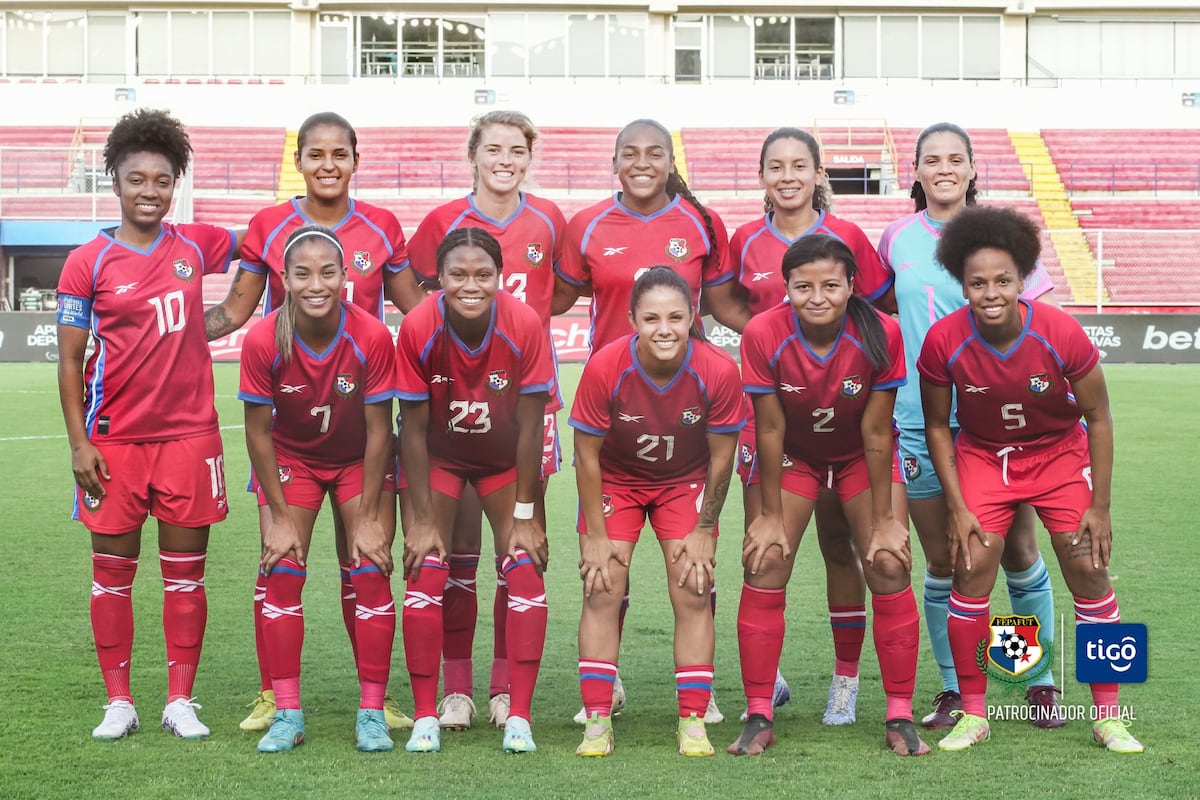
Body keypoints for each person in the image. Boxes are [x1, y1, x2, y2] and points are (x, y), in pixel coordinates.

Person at [205, 111, 424, 733]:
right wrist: (163, 339)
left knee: (366, 564)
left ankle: (375, 702)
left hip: (361, 427)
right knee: (279, 559)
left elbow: (418, 310)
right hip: (295, 427)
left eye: (340, 154)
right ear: (297, 161)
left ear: (356, 160)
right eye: (315, 154)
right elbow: (235, 310)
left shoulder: (381, 227)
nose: (328, 164)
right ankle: (277, 698)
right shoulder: (269, 226)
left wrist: (486, 319)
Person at [918, 205, 1143, 755]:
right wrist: (957, 506)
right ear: (961, 284)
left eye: (1002, 280)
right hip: (984, 458)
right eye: (977, 282)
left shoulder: (1060, 329)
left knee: (1090, 568)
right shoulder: (944, 341)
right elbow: (937, 427)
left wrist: (1101, 506)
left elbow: (1100, 418)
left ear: (1023, 280)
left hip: (1058, 456)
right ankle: (974, 713)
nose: (990, 292)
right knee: (971, 568)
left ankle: (1109, 716)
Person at [554, 117, 750, 724]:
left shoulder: (700, 222)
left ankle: (702, 685)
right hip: (613, 416)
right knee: (606, 575)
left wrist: (789, 341)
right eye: (630, 153)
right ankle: (603, 685)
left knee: (703, 568)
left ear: (671, 160)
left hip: (689, 420)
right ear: (613, 161)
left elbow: (723, 306)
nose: (643, 162)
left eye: (655, 153)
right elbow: (550, 300)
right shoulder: (585, 224)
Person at [56, 108, 241, 739]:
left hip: (191, 436)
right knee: (112, 573)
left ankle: (179, 700)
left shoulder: (195, 245)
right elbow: (70, 358)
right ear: (115, 180)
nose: (150, 191)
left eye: (163, 180)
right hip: (113, 441)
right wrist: (80, 443)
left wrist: (221, 321)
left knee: (185, 573)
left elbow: (265, 246)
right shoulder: (88, 261)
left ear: (175, 185)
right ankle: (119, 701)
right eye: (138, 179)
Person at [877, 123, 1062, 729]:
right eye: (932, 160)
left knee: (1016, 551)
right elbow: (885, 310)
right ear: (917, 172)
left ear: (973, 168)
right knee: (944, 560)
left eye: (956, 159)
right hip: (917, 419)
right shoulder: (896, 239)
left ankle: (1033, 680)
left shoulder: (1003, 238)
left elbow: (1039, 319)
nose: (945, 168)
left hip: (997, 425)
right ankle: (956, 687)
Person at [730, 234, 928, 758]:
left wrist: (885, 519)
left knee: (887, 561)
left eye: (830, 285)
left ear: (851, 285)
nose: (817, 296)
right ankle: (758, 712)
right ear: (786, 287)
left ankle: (899, 714)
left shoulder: (881, 331)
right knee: (766, 558)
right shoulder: (763, 332)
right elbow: (769, 430)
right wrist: (771, 515)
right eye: (803, 286)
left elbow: (879, 433)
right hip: (795, 454)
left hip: (860, 456)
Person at [729, 127, 897, 725]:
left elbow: (880, 307)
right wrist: (773, 337)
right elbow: (723, 298)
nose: (788, 175)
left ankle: (997, 686)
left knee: (974, 559)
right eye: (776, 165)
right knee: (767, 550)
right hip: (786, 408)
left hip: (896, 413)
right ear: (762, 176)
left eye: (800, 164)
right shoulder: (746, 238)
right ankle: (764, 681)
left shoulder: (856, 237)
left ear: (820, 173)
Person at [407, 110, 567, 731]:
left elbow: (562, 294)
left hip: (524, 407)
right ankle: (456, 691)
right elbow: (419, 292)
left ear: (530, 157)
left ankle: (503, 689)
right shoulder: (441, 223)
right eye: (493, 148)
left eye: (517, 150)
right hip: (452, 414)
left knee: (519, 546)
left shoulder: (550, 219)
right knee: (457, 552)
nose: (505, 159)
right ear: (472, 153)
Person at [571, 266, 744, 758]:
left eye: (675, 316)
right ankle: (598, 720)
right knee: (602, 585)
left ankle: (692, 719)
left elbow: (722, 457)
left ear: (693, 317)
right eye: (650, 318)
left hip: (683, 482)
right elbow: (585, 455)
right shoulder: (606, 366)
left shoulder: (717, 370)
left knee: (694, 584)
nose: (663, 328)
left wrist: (706, 527)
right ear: (632, 320)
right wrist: (597, 535)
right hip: (616, 481)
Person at [239, 225, 398, 753]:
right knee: (283, 569)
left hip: (358, 462)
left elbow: (380, 430)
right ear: (283, 279)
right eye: (302, 273)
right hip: (293, 462)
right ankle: (287, 712)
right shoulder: (264, 338)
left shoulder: (372, 335)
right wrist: (280, 516)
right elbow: (258, 432)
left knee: (371, 569)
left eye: (327, 272)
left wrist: (371, 514)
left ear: (345, 275)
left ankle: (372, 712)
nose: (316, 284)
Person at [396, 227, 554, 755]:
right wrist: (419, 518)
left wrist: (528, 514)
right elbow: (411, 429)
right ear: (438, 278)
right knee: (430, 564)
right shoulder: (419, 324)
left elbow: (532, 427)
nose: (471, 284)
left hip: (503, 462)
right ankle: (434, 709)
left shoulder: (523, 322)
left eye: (483, 274)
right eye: (458, 274)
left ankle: (517, 713)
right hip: (441, 458)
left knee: (524, 565)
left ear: (499, 278)